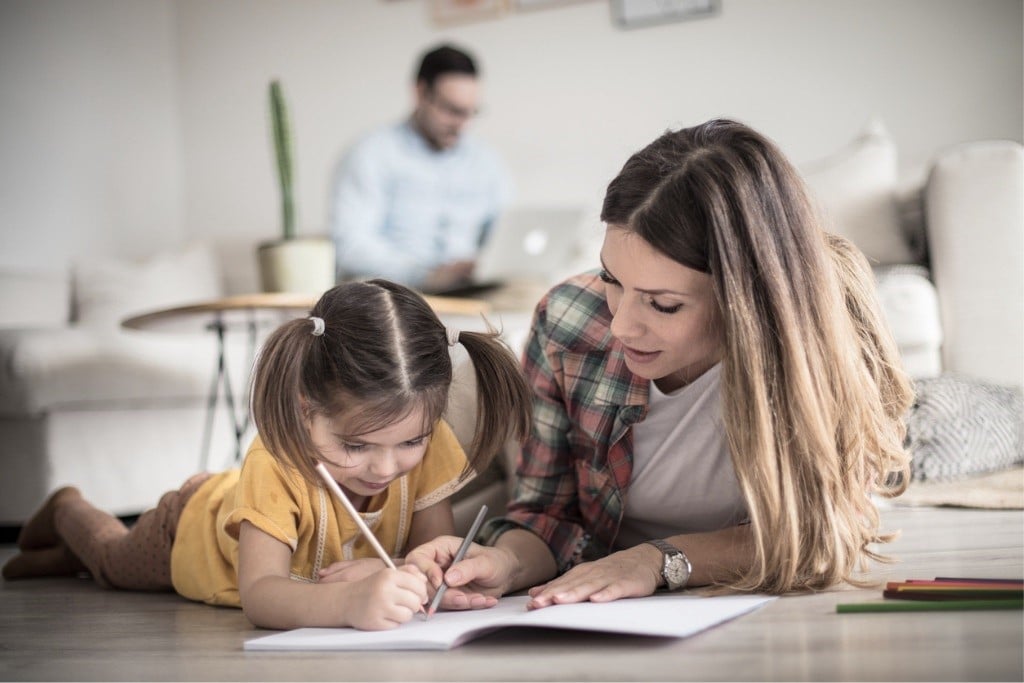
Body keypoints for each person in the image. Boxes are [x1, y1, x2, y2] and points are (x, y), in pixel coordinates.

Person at [407, 118, 913, 610]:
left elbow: (823, 536)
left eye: (663, 304)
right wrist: (503, 563)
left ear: (744, 298)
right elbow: (548, 516)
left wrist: (658, 562)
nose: (622, 325)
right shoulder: (568, 321)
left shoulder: (825, 336)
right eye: (611, 279)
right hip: (611, 604)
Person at [2, 279, 531, 631]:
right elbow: (261, 594)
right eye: (355, 445)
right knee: (110, 562)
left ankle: (54, 560)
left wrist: (424, 571)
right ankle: (68, 506)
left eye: (409, 443)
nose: (386, 468)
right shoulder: (276, 461)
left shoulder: (428, 446)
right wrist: (350, 602)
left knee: (74, 570)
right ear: (306, 411)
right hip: (186, 533)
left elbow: (423, 551)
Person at [330, 43, 511, 293]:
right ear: (420, 92)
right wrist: (425, 275)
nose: (462, 124)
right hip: (396, 298)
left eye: (470, 112)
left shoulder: (486, 160)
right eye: (452, 110)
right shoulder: (371, 153)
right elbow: (350, 245)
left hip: (470, 295)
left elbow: (503, 231)